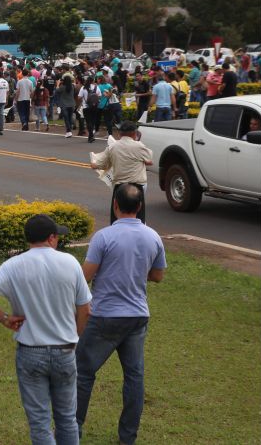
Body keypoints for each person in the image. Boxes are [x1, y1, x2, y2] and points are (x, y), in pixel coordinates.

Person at [0, 214, 91, 445]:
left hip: (30, 351)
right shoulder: (70, 263)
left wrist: (4, 318)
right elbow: (85, 309)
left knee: (39, 422)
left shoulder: (13, 265)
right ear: (51, 238)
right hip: (65, 349)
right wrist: (74, 336)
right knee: (67, 418)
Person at [75, 184, 166, 445]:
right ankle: (127, 438)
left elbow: (85, 276)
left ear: (115, 205)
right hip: (137, 316)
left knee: (83, 373)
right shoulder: (153, 237)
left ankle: (73, 431)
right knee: (134, 378)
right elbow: (158, 275)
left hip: (104, 316)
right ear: (140, 207)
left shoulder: (103, 237)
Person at [90, 121, 153, 224]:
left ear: (119, 134)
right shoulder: (139, 146)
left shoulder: (112, 147)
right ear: (134, 134)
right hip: (137, 187)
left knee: (117, 218)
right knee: (139, 218)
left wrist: (93, 163)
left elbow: (100, 165)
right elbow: (149, 161)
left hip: (120, 187)